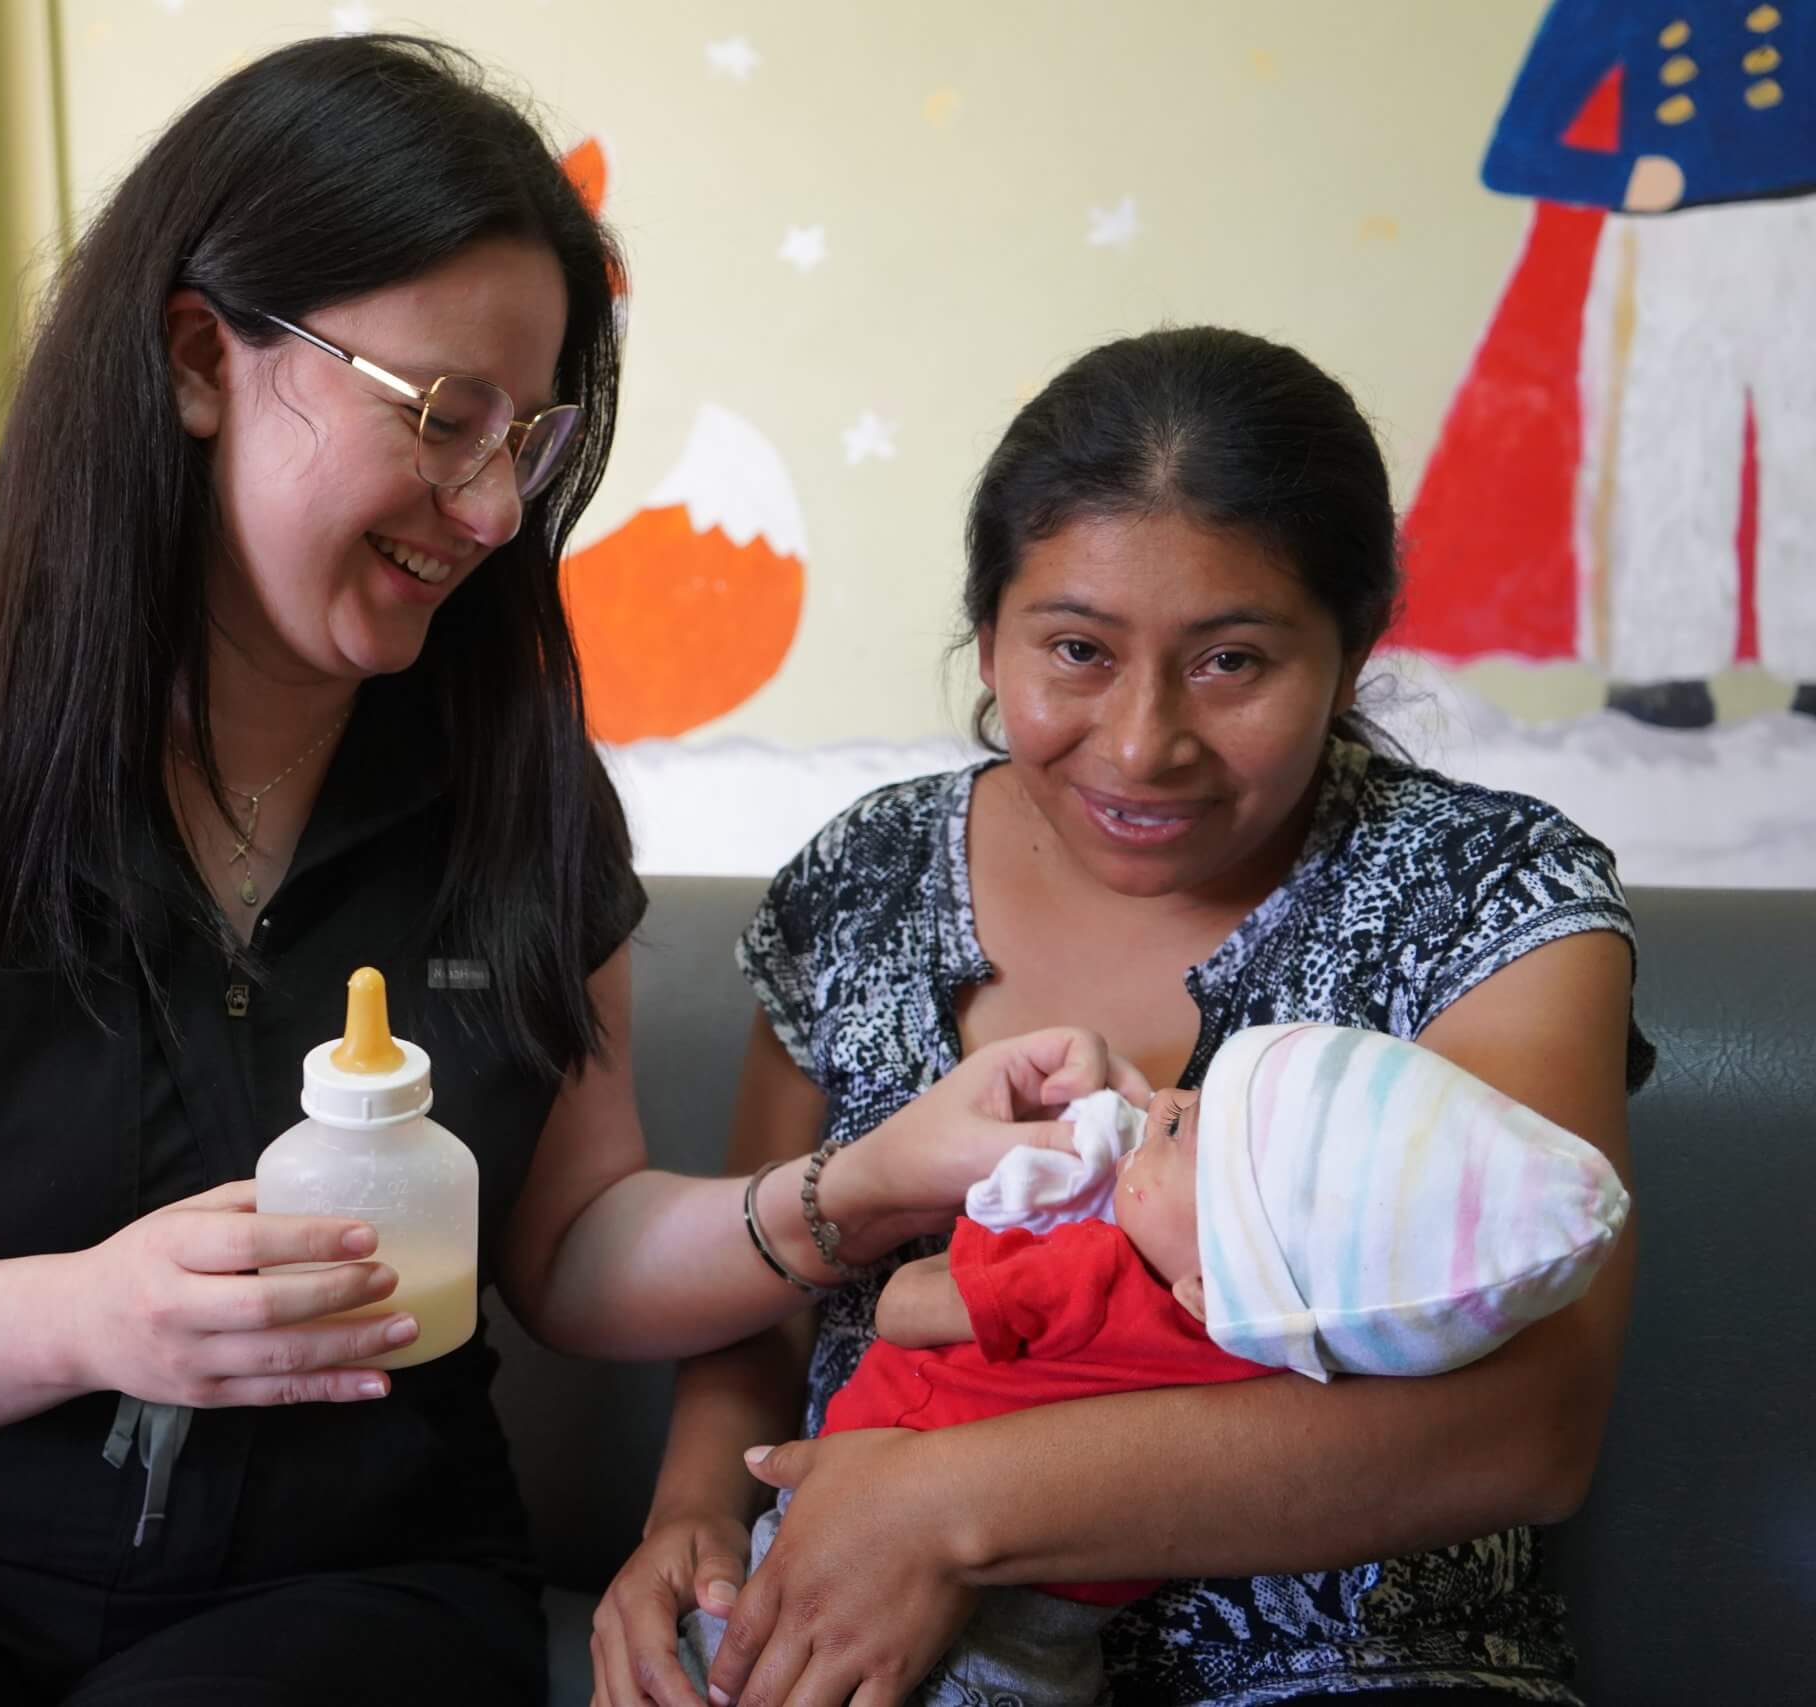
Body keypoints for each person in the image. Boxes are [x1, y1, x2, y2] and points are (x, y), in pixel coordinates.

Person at [0, 37, 1122, 1707]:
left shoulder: (518, 797)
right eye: (444, 417)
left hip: (355, 1581)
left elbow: (573, 1244)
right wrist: (84, 1314)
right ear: (199, 358)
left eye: (525, 438)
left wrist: (866, 1181)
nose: (493, 508)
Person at [592, 325, 1651, 1707]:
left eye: (1231, 661)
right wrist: (696, 1517)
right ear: (989, 635)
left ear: (1352, 648)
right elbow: (774, 1285)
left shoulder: (1492, 895)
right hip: (876, 1645)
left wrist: (945, 1507)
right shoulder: (862, 877)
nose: (1144, 742)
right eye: (1079, 650)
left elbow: (1527, 1427)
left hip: (1368, 1668)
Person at [677, 1025, 1633, 1706]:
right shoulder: (1275, 1363)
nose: (1165, 1100)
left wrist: (1026, 1209)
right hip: (1055, 1646)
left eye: (1182, 1133)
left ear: (1209, 1285)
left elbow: (906, 1306)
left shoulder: (1092, 1269)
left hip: (847, 1559)